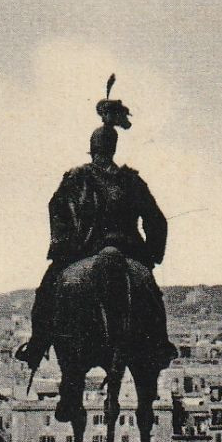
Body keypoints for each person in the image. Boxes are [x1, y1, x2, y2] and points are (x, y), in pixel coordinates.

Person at [15, 87, 176, 373]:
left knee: (47, 292)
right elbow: (157, 220)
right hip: (127, 250)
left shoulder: (75, 177)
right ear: (113, 149)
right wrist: (151, 256)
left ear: (93, 149)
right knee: (151, 293)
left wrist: (63, 245)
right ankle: (161, 344)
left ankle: (36, 346)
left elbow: (56, 209)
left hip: (82, 251)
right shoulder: (132, 180)